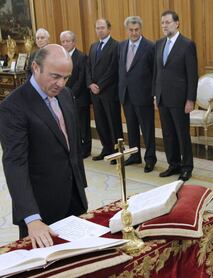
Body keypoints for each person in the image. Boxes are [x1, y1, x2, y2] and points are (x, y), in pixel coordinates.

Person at [0, 44, 88, 248]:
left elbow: (71, 147)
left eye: (66, 78)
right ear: (35, 67)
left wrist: (80, 187)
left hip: (74, 199)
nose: (61, 83)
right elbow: (15, 164)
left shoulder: (66, 95)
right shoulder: (13, 107)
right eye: (55, 76)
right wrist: (32, 218)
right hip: (41, 210)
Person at [153, 10, 198, 181]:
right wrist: (155, 95)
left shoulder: (187, 44)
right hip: (163, 97)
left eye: (168, 22)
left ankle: (186, 167)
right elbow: (157, 72)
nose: (164, 25)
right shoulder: (158, 44)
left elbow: (192, 74)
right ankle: (173, 164)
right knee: (168, 134)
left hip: (180, 99)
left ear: (177, 23)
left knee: (181, 134)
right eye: (162, 22)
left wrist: (190, 99)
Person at [118, 16, 156, 172]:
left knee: (147, 129)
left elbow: (155, 73)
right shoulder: (121, 46)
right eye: (131, 30)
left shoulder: (150, 46)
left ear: (141, 29)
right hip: (126, 95)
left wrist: (154, 94)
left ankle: (150, 159)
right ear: (127, 30)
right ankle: (134, 155)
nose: (133, 33)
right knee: (132, 128)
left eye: (136, 30)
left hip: (143, 95)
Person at [86, 19, 123, 163]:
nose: (100, 30)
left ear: (109, 29)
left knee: (113, 123)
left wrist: (99, 86)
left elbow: (113, 70)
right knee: (100, 123)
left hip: (109, 92)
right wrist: (90, 83)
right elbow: (88, 67)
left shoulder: (116, 46)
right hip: (94, 93)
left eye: (102, 28)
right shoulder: (93, 46)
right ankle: (106, 148)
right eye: (97, 28)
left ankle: (117, 152)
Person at [60, 30, 91, 158]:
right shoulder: (60, 57)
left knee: (83, 125)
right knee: (70, 125)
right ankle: (75, 147)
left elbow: (81, 79)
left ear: (74, 42)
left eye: (68, 41)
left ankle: (86, 149)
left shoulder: (81, 56)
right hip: (64, 97)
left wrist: (70, 94)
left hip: (79, 98)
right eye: (63, 41)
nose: (65, 44)